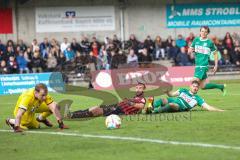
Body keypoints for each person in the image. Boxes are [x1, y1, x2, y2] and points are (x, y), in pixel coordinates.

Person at [65, 83, 146, 119]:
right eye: (137, 87)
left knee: (97, 111)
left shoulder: (142, 98)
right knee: (96, 107)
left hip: (120, 110)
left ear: (143, 89)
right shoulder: (134, 97)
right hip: (116, 106)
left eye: (140, 88)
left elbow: (141, 106)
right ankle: (72, 113)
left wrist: (128, 102)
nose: (138, 89)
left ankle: (72, 115)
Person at [188, 26, 226, 95]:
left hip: (203, 66)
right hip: (197, 65)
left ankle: (190, 99)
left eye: (205, 32)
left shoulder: (210, 42)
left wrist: (216, 65)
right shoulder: (196, 40)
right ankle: (221, 86)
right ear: (200, 32)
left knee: (194, 81)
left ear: (207, 33)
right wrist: (190, 50)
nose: (203, 33)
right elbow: (189, 50)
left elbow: (215, 53)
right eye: (202, 31)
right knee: (203, 86)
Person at [150, 80, 224, 113]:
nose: (195, 88)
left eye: (197, 87)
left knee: (171, 105)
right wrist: (167, 92)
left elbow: (208, 107)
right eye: (193, 86)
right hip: (174, 100)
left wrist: (220, 110)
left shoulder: (198, 99)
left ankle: (154, 112)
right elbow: (171, 95)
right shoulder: (183, 90)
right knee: (163, 100)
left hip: (180, 107)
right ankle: (150, 107)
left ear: (198, 88)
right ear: (190, 86)